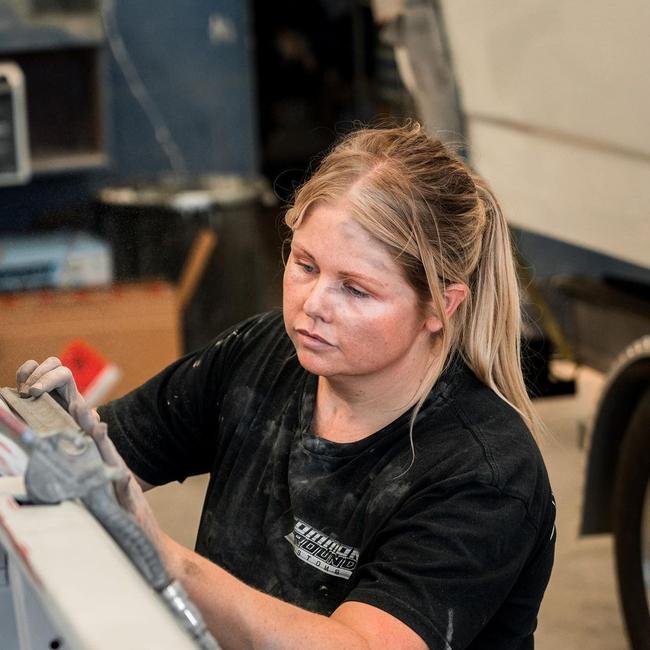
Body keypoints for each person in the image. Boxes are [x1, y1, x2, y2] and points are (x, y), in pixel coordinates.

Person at [17, 122, 555, 650]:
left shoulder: (483, 472)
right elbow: (108, 456)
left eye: (356, 289)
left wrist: (160, 556)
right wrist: (54, 433)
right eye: (305, 265)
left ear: (442, 305)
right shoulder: (264, 355)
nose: (313, 305)